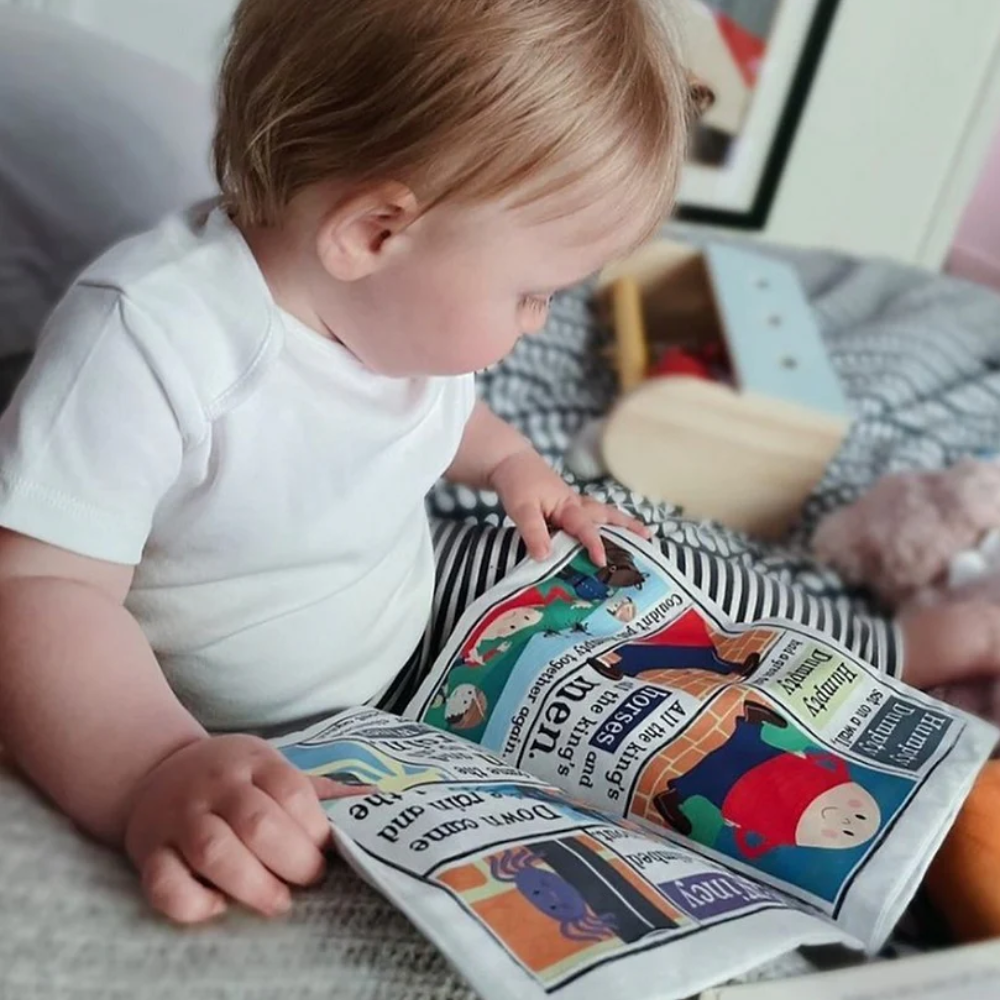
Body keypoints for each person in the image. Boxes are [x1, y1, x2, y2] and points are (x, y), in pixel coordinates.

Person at [0, 0, 692, 925]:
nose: (538, 325)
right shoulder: (154, 341)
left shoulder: (388, 313)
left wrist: (513, 464)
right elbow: (40, 589)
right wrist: (150, 767)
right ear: (372, 233)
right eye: (534, 294)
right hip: (239, 727)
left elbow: (435, 410)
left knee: (652, 582)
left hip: (414, 645)